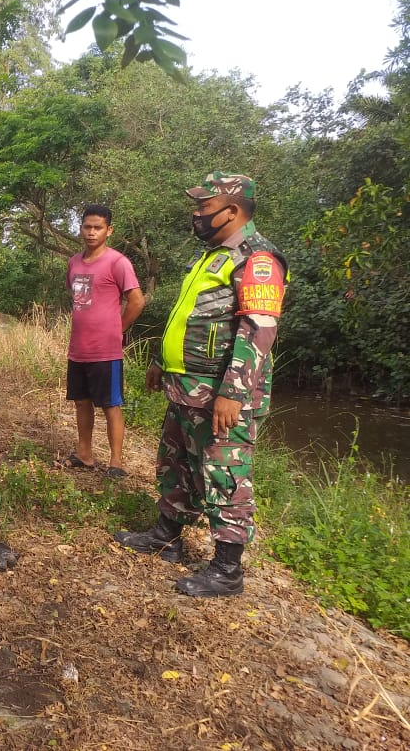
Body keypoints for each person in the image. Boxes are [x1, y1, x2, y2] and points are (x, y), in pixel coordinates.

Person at [114, 172, 288, 597]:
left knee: (225, 473)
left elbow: (258, 328)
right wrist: (162, 361)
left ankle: (227, 569)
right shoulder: (210, 256)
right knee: (177, 463)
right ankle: (167, 535)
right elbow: (187, 316)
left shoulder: (258, 258)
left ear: (232, 211)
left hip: (221, 393)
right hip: (186, 386)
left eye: (204, 207)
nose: (196, 214)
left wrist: (232, 392)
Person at [65, 204, 146, 478]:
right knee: (81, 401)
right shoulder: (74, 262)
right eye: (87, 227)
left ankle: (116, 461)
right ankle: (84, 454)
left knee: (111, 404)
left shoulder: (118, 262)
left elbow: (137, 301)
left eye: (97, 227)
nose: (91, 232)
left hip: (106, 351)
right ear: (81, 229)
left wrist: (118, 330)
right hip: (78, 349)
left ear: (108, 230)